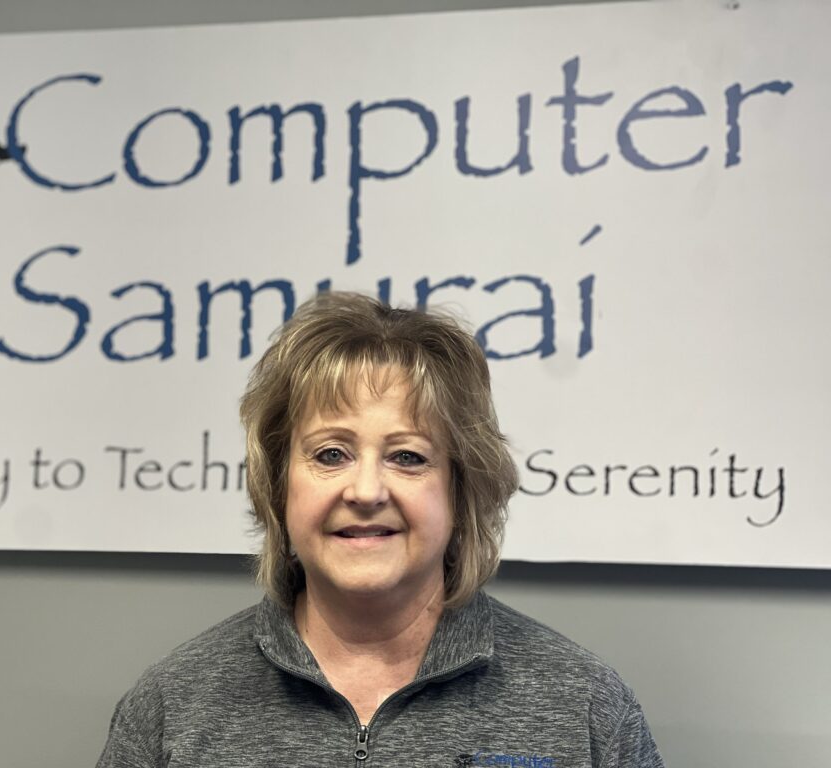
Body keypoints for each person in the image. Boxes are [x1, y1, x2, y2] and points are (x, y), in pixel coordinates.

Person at [96, 292, 664, 768]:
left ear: (460, 488)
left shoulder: (582, 708)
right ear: (279, 483)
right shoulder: (173, 707)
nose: (366, 491)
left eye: (408, 457)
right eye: (331, 453)